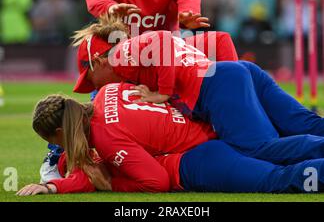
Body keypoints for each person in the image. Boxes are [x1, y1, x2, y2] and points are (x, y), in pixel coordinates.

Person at [72, 21, 324, 166]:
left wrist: (163, 93)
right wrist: (240, 88)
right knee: (301, 122)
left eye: (90, 79)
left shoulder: (119, 56)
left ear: (98, 61)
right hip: (240, 72)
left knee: (256, 150)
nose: (94, 88)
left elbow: (161, 41)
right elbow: (222, 39)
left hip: (220, 85)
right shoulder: (139, 60)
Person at [17, 83, 324, 195]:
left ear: (60, 134)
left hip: (198, 159)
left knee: (277, 178)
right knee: (282, 147)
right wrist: (52, 186)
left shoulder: (104, 137)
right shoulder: (107, 92)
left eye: (55, 142)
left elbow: (156, 182)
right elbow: (80, 178)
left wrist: (111, 183)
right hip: (211, 124)